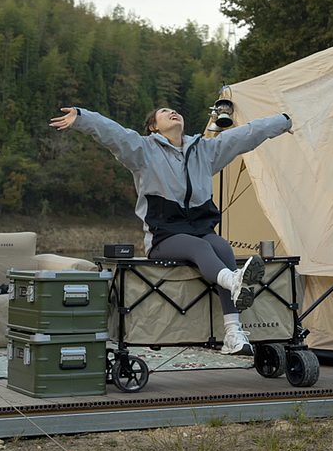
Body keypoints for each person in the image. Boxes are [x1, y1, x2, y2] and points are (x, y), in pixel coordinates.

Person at [51, 103, 293, 355]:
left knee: (221, 246)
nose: (173, 112)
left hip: (200, 229)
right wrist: (82, 116)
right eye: (164, 112)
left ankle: (233, 333)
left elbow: (245, 135)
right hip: (164, 237)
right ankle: (232, 280)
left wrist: (283, 121)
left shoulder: (205, 150)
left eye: (175, 110)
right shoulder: (143, 151)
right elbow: (112, 133)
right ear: (153, 126)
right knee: (202, 246)